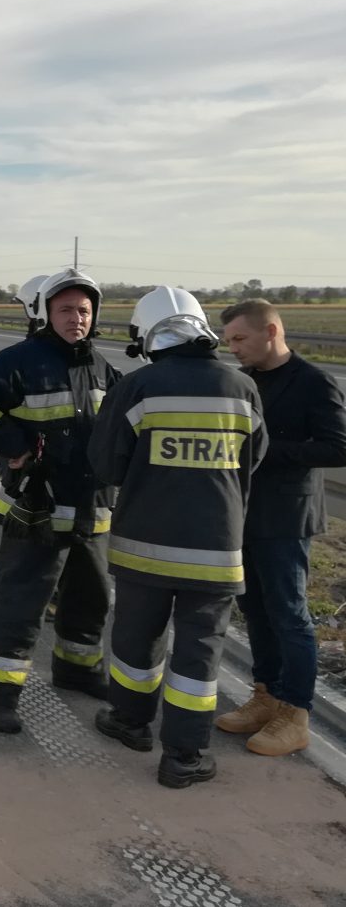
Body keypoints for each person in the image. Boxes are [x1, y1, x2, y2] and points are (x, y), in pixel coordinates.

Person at [89, 287, 266, 789]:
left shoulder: (137, 387)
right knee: (198, 655)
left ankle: (129, 723)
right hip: (216, 551)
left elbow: (106, 464)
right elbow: (254, 460)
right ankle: (184, 757)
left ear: (147, 335)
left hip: (144, 546)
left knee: (134, 640)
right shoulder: (242, 387)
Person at [0, 268, 120, 734]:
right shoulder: (19, 361)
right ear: (46, 313)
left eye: (84, 310)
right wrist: (16, 447)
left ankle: (78, 670)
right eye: (66, 309)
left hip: (93, 510)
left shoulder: (103, 367)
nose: (77, 318)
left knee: (90, 602)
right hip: (37, 510)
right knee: (22, 606)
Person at [214, 299, 346, 755]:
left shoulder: (314, 382)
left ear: (270, 331)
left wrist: (265, 451)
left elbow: (336, 448)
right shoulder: (242, 382)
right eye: (228, 340)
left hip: (287, 519)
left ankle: (295, 712)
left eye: (239, 339)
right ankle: (265, 695)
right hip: (243, 512)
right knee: (254, 608)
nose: (231, 348)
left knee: (290, 614)